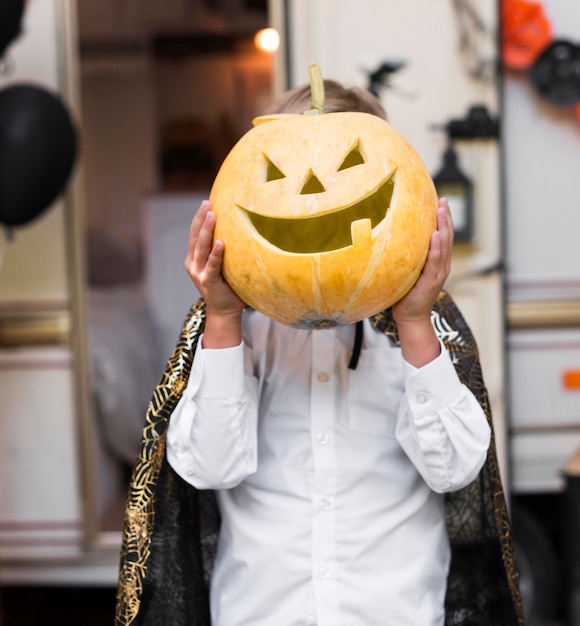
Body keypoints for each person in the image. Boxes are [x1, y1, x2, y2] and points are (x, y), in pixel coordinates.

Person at [115, 81, 524, 626]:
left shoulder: (424, 329)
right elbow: (211, 466)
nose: (312, 191)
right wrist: (222, 315)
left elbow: (453, 470)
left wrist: (414, 320)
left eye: (349, 161)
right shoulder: (238, 333)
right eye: (280, 172)